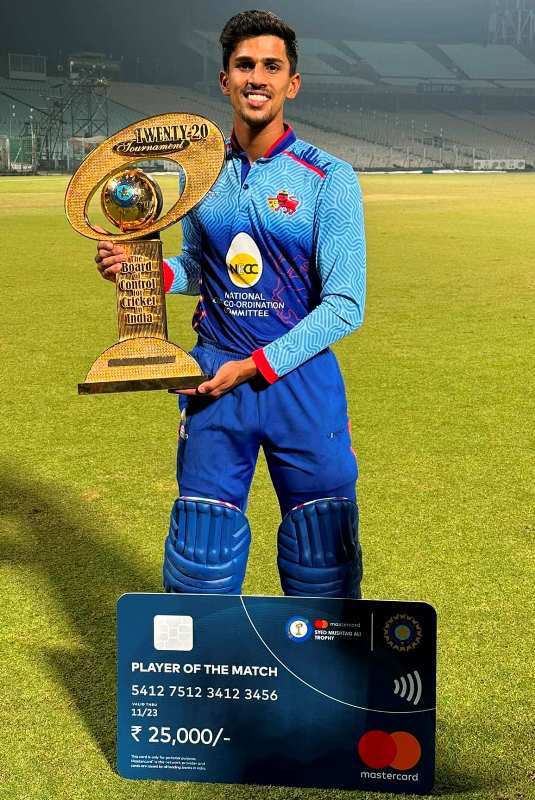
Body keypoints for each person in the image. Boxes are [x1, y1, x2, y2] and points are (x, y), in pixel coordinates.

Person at [95, 10, 366, 599]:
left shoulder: (329, 178)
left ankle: (316, 661)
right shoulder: (201, 175)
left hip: (299, 379)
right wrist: (145, 272)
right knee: (202, 554)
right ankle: (206, 659)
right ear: (225, 80)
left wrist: (253, 366)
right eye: (244, 65)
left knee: (323, 554)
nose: (257, 78)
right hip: (214, 376)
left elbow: (345, 305)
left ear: (292, 83)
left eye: (272, 66)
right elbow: (200, 268)